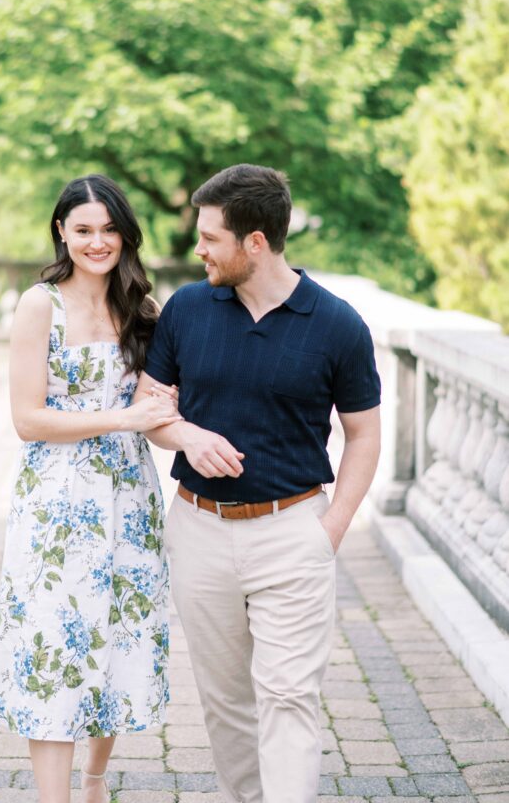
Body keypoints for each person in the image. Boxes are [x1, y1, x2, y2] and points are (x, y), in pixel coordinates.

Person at [135, 164, 381, 803]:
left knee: (289, 696)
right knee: (226, 703)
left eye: (210, 238)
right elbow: (150, 408)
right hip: (198, 530)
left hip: (293, 532)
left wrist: (330, 530)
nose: (198, 250)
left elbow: (364, 435)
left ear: (255, 242)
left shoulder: (337, 324)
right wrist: (187, 436)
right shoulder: (188, 308)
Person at [0, 174, 180, 803]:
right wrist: (124, 418)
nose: (98, 242)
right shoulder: (40, 305)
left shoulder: (143, 310)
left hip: (131, 495)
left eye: (109, 229)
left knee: (117, 639)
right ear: (61, 232)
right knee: (54, 646)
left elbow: (159, 413)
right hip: (59, 500)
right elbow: (28, 419)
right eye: (84, 229)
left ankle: (94, 783)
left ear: (126, 234)